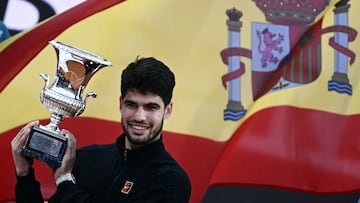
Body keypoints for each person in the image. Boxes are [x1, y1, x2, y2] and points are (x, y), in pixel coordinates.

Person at [11, 57, 192, 203]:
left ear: (167, 110)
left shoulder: (171, 181)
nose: (140, 116)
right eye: (132, 105)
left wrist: (65, 181)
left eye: (151, 107)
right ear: (121, 104)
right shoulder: (86, 158)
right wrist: (24, 173)